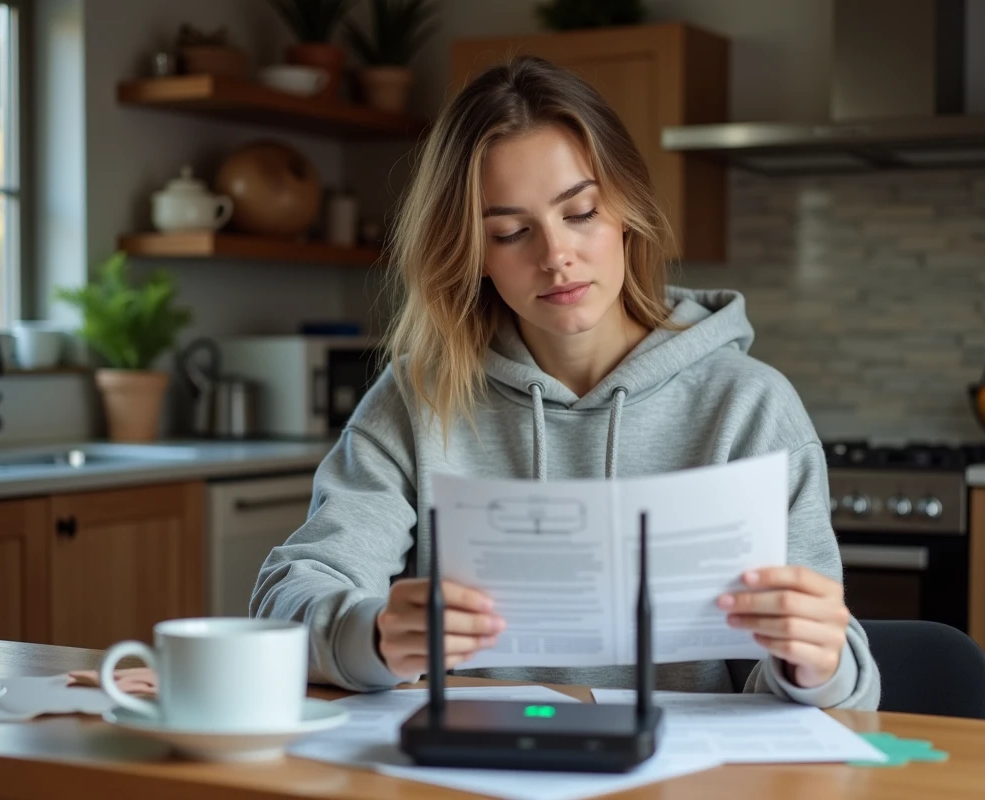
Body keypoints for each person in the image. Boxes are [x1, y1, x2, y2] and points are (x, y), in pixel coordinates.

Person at [251, 55, 880, 710]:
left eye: (580, 212)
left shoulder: (748, 406)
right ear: (472, 254)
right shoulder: (419, 402)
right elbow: (287, 596)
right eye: (512, 232)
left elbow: (843, 682)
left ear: (627, 210)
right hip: (476, 771)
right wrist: (372, 635)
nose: (555, 256)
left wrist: (812, 663)